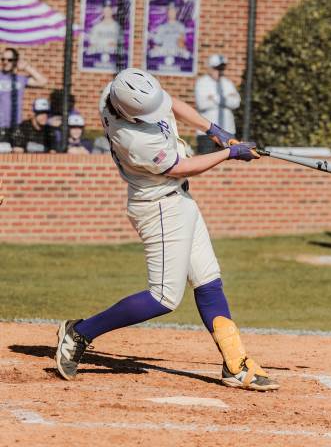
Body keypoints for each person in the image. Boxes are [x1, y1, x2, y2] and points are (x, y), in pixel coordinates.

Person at [55, 68, 279, 391]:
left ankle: (236, 364)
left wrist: (215, 129)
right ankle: (79, 333)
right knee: (163, 297)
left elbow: (171, 104)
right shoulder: (133, 140)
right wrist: (230, 152)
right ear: (130, 116)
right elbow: (181, 167)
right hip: (160, 207)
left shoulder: (119, 91)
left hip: (179, 200)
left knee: (208, 279)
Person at [0, 47, 48, 152]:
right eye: (3, 59)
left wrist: (27, 67)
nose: (5, 62)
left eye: (9, 60)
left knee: (18, 153)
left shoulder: (20, 79)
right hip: (1, 126)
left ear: (15, 61)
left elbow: (43, 81)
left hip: (16, 126)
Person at [195, 54, 241, 153]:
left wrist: (214, 97)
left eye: (222, 68)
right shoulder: (202, 83)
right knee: (205, 162)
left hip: (227, 131)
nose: (220, 71)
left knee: (226, 163)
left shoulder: (227, 83)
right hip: (206, 132)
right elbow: (202, 104)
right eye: (217, 68)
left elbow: (236, 103)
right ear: (210, 68)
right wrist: (226, 99)